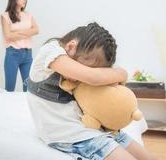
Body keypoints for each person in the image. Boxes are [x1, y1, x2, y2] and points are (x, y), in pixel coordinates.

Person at [27, 23, 156, 160]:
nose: (79, 78)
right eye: (84, 67)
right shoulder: (50, 51)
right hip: (69, 135)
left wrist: (118, 74)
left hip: (92, 128)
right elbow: (93, 77)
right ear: (70, 46)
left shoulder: (70, 53)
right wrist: (121, 73)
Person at [1, 0, 38, 92]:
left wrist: (16, 34)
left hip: (27, 55)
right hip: (13, 54)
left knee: (28, 88)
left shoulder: (28, 15)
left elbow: (36, 30)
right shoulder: (6, 15)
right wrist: (27, 32)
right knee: (10, 88)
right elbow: (8, 36)